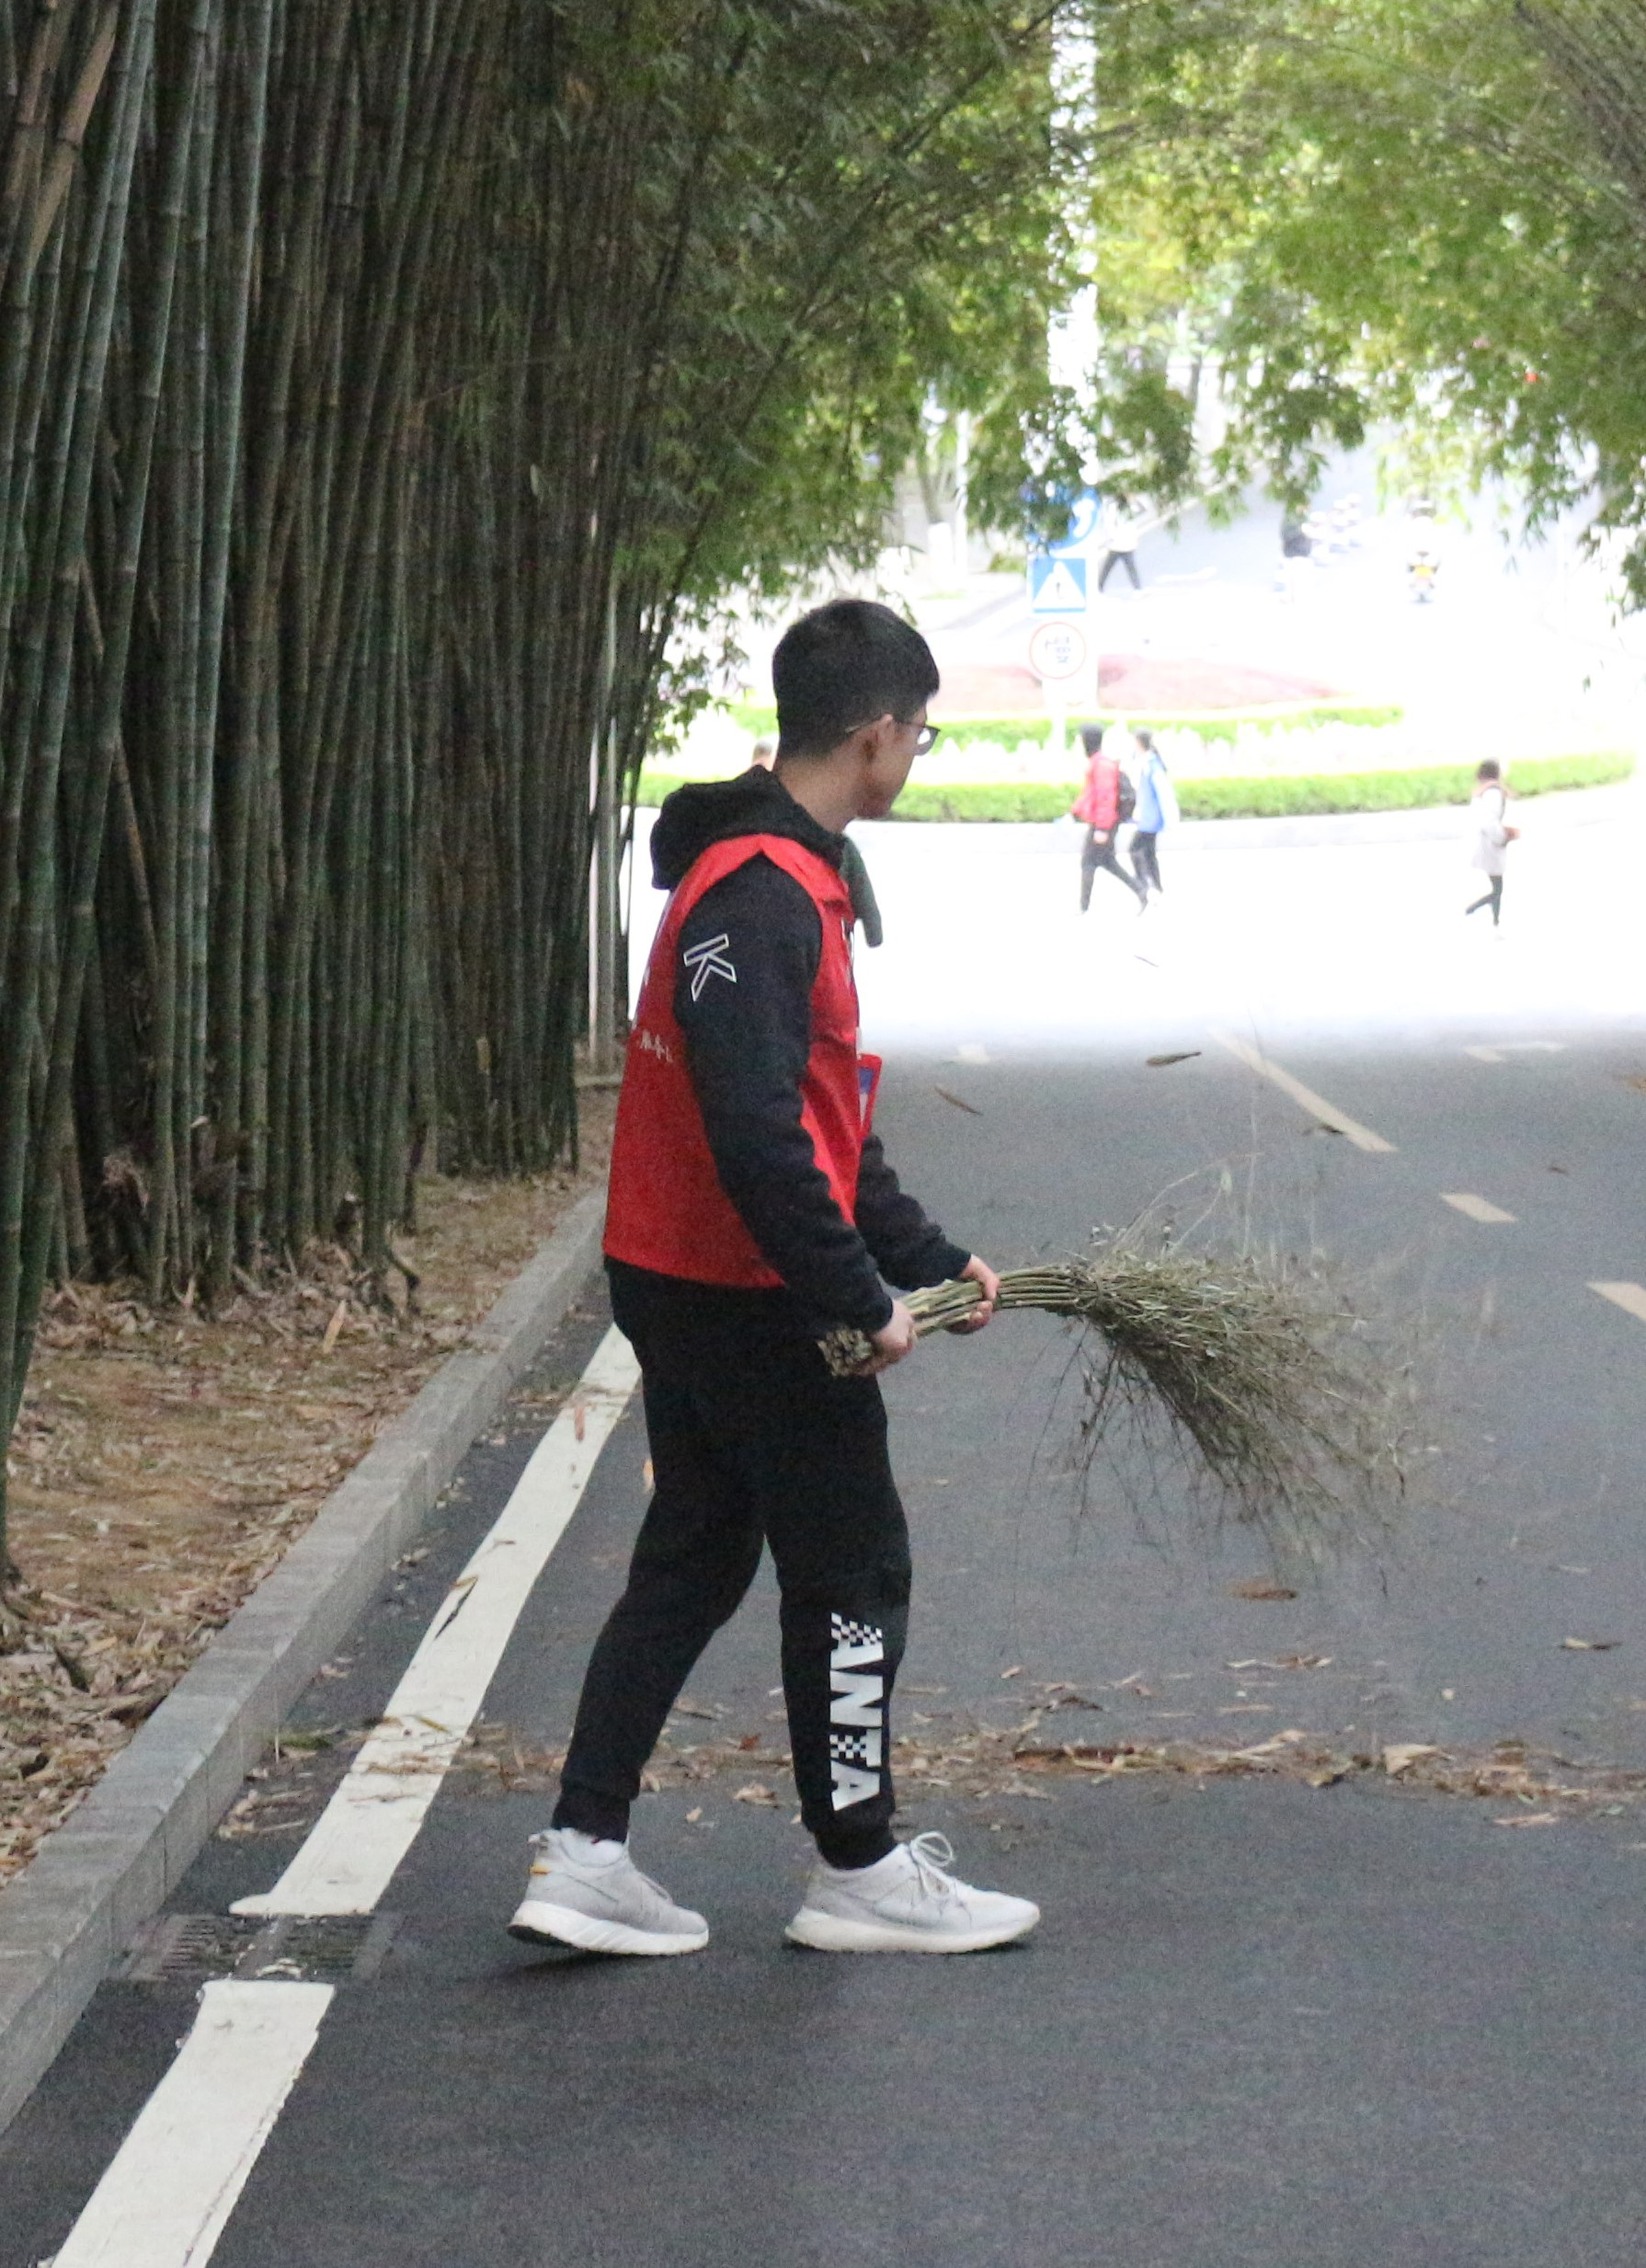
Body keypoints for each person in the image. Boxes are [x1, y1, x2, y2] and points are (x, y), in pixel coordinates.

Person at [509, 599, 1039, 1958]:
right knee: (853, 1563)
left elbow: (820, 1122)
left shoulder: (766, 871)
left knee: (695, 1553)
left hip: (677, 1274)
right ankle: (858, 1866)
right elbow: (757, 1134)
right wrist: (857, 1299)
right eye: (919, 734)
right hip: (741, 1292)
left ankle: (583, 1851)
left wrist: (927, 1261)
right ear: (875, 736)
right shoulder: (760, 894)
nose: (914, 753)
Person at [1072, 723, 1144, 911]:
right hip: (1103, 822)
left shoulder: (1101, 766)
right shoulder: (1098, 763)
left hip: (1104, 823)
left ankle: (1083, 907)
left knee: (1089, 862)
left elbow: (1106, 798)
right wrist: (1075, 811)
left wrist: (1102, 828)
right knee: (1107, 861)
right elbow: (1090, 794)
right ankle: (1141, 891)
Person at [1465, 758, 1517, 927]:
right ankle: (1472, 910)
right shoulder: (1493, 792)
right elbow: (1490, 821)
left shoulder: (1483, 790)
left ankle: (1495, 920)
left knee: (1497, 887)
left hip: (1487, 843)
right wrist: (1501, 837)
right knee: (1497, 888)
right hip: (1491, 844)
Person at [1128, 727, 1178, 901]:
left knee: (1135, 849)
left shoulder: (1151, 765)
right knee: (1148, 852)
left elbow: (1163, 794)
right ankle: (1155, 885)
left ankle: (1143, 883)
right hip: (1148, 817)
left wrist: (1169, 818)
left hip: (1150, 818)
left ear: (1139, 742)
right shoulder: (1146, 762)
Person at [1096, 500, 1142, 591]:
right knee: (1109, 567)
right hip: (1117, 544)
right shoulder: (1113, 507)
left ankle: (1138, 588)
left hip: (1127, 544)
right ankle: (1099, 586)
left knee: (1129, 567)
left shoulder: (1130, 506)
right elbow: (1109, 524)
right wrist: (1114, 537)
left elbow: (1141, 510)